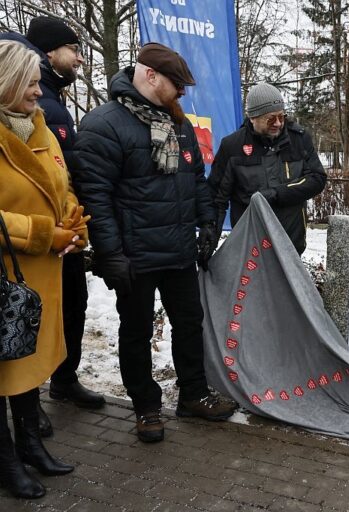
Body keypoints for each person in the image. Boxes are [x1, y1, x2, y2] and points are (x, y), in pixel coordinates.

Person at [72, 42, 236, 444]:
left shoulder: (178, 124)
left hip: (179, 249)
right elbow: (95, 197)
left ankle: (194, 395)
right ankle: (145, 406)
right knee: (136, 332)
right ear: (149, 75)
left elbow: (195, 181)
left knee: (189, 325)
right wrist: (110, 253)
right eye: (176, 84)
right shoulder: (103, 124)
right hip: (134, 256)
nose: (182, 92)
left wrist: (207, 226)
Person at [0, 40, 78, 499]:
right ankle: (6, 460)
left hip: (38, 276)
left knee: (25, 365)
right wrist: (45, 233)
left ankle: (31, 444)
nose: (37, 91)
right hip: (7, 275)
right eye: (29, 82)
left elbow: (61, 185)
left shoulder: (40, 126)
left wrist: (73, 221)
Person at [20, 16, 106, 435]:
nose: (79, 58)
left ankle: (63, 380)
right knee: (33, 318)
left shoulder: (52, 101)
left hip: (65, 234)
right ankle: (27, 401)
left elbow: (66, 174)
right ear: (49, 52)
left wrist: (76, 217)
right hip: (33, 242)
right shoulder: (38, 105)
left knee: (72, 307)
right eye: (74, 49)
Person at [208, 82, 327, 254]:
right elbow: (216, 198)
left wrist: (278, 193)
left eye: (281, 116)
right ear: (253, 117)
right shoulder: (232, 146)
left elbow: (317, 179)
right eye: (270, 118)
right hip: (250, 246)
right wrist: (211, 235)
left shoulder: (299, 139)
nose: (278, 123)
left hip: (290, 244)